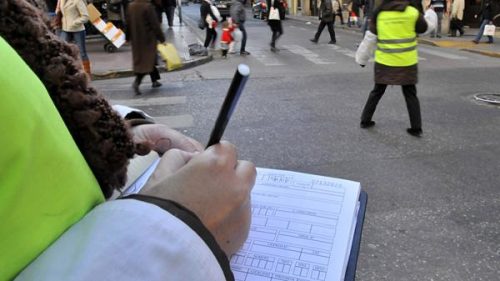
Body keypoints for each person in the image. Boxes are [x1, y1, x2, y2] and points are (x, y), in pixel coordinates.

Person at [0, 1, 256, 280]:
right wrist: (181, 228)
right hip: (119, 246)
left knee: (145, 69)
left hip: (98, 228)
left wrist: (125, 131)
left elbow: (36, 114)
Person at [355, 0, 436, 137]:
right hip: (407, 63)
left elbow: (370, 38)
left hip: (384, 62)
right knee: (410, 94)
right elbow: (425, 28)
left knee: (377, 92)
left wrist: (362, 59)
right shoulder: (412, 13)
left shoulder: (380, 14)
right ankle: (416, 128)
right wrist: (430, 13)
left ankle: (365, 120)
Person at [127, 0, 166, 95]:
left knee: (148, 61)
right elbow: (155, 25)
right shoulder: (147, 6)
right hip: (148, 40)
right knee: (147, 62)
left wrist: (127, 37)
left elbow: (127, 23)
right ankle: (137, 82)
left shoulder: (131, 6)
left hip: (136, 40)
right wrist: (162, 38)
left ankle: (155, 81)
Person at [56, 0, 91, 76]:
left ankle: (87, 73)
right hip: (65, 29)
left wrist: (74, 23)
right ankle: (67, 72)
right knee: (63, 50)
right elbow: (59, 13)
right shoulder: (61, 1)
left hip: (78, 29)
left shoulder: (77, 1)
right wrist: (58, 9)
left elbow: (85, 17)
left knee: (82, 52)